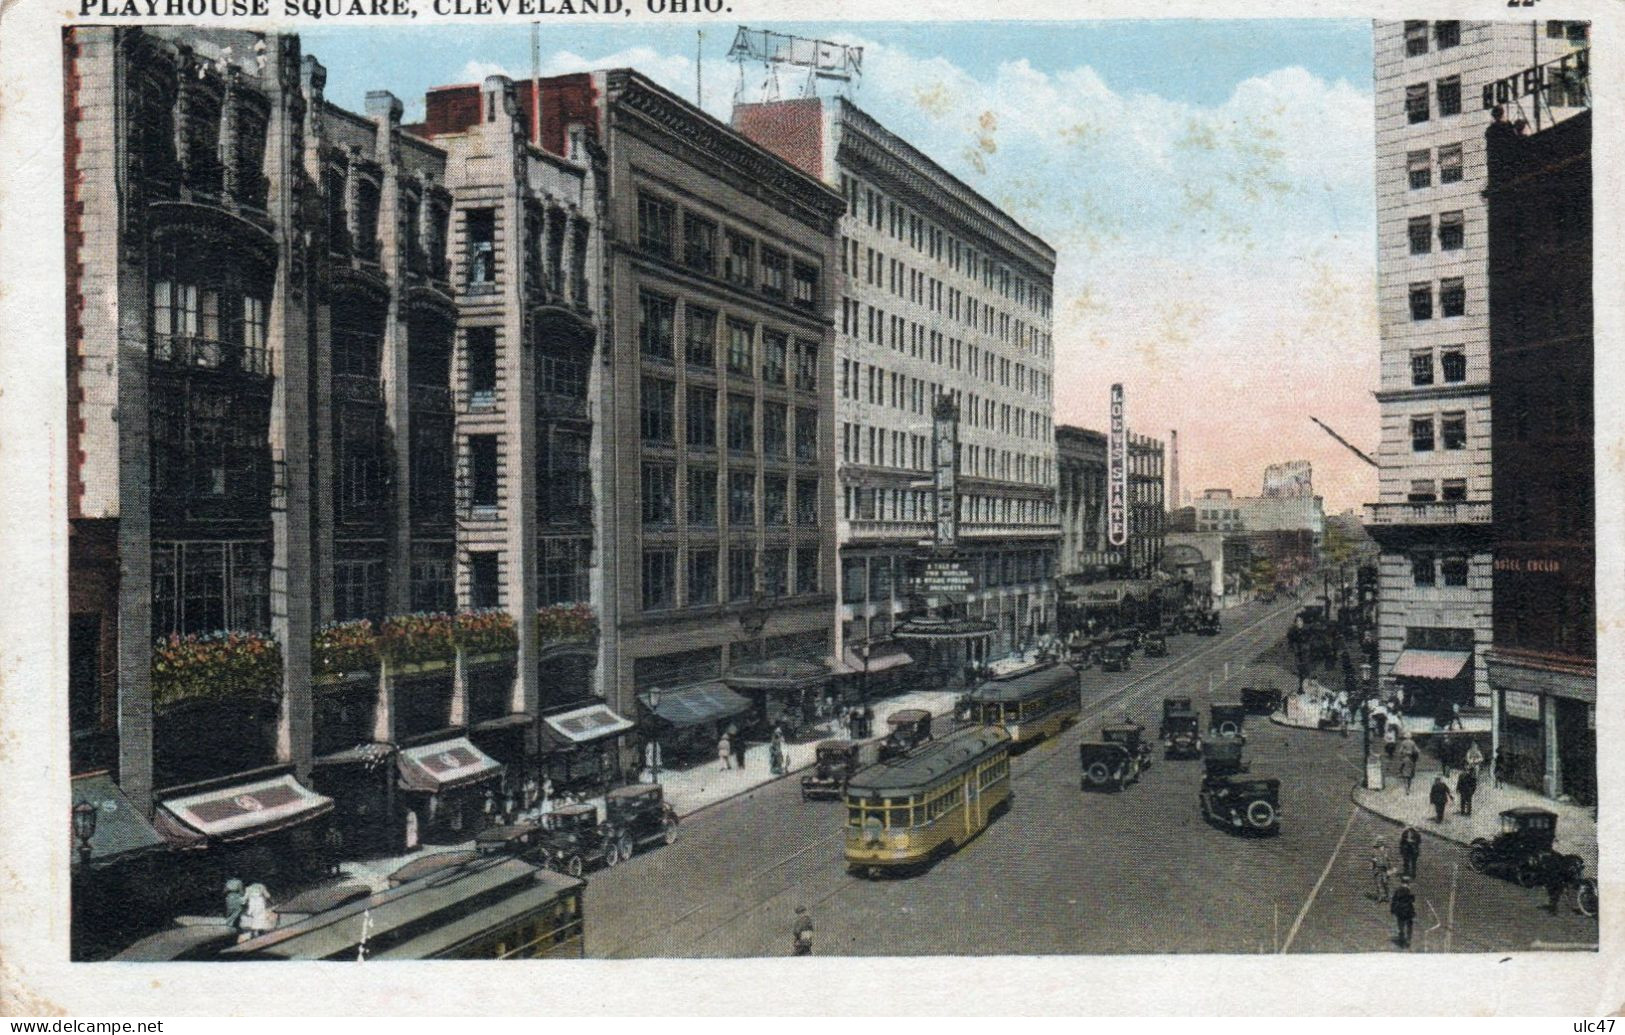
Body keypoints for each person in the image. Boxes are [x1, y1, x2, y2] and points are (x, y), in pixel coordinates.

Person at [1390, 876, 1417, 949]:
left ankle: (1403, 941)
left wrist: (1393, 910)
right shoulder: (1406, 891)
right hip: (1406, 912)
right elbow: (1408, 900)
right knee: (1408, 927)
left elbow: (1394, 901)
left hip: (1400, 912)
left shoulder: (1398, 890)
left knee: (1402, 927)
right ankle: (1406, 942)